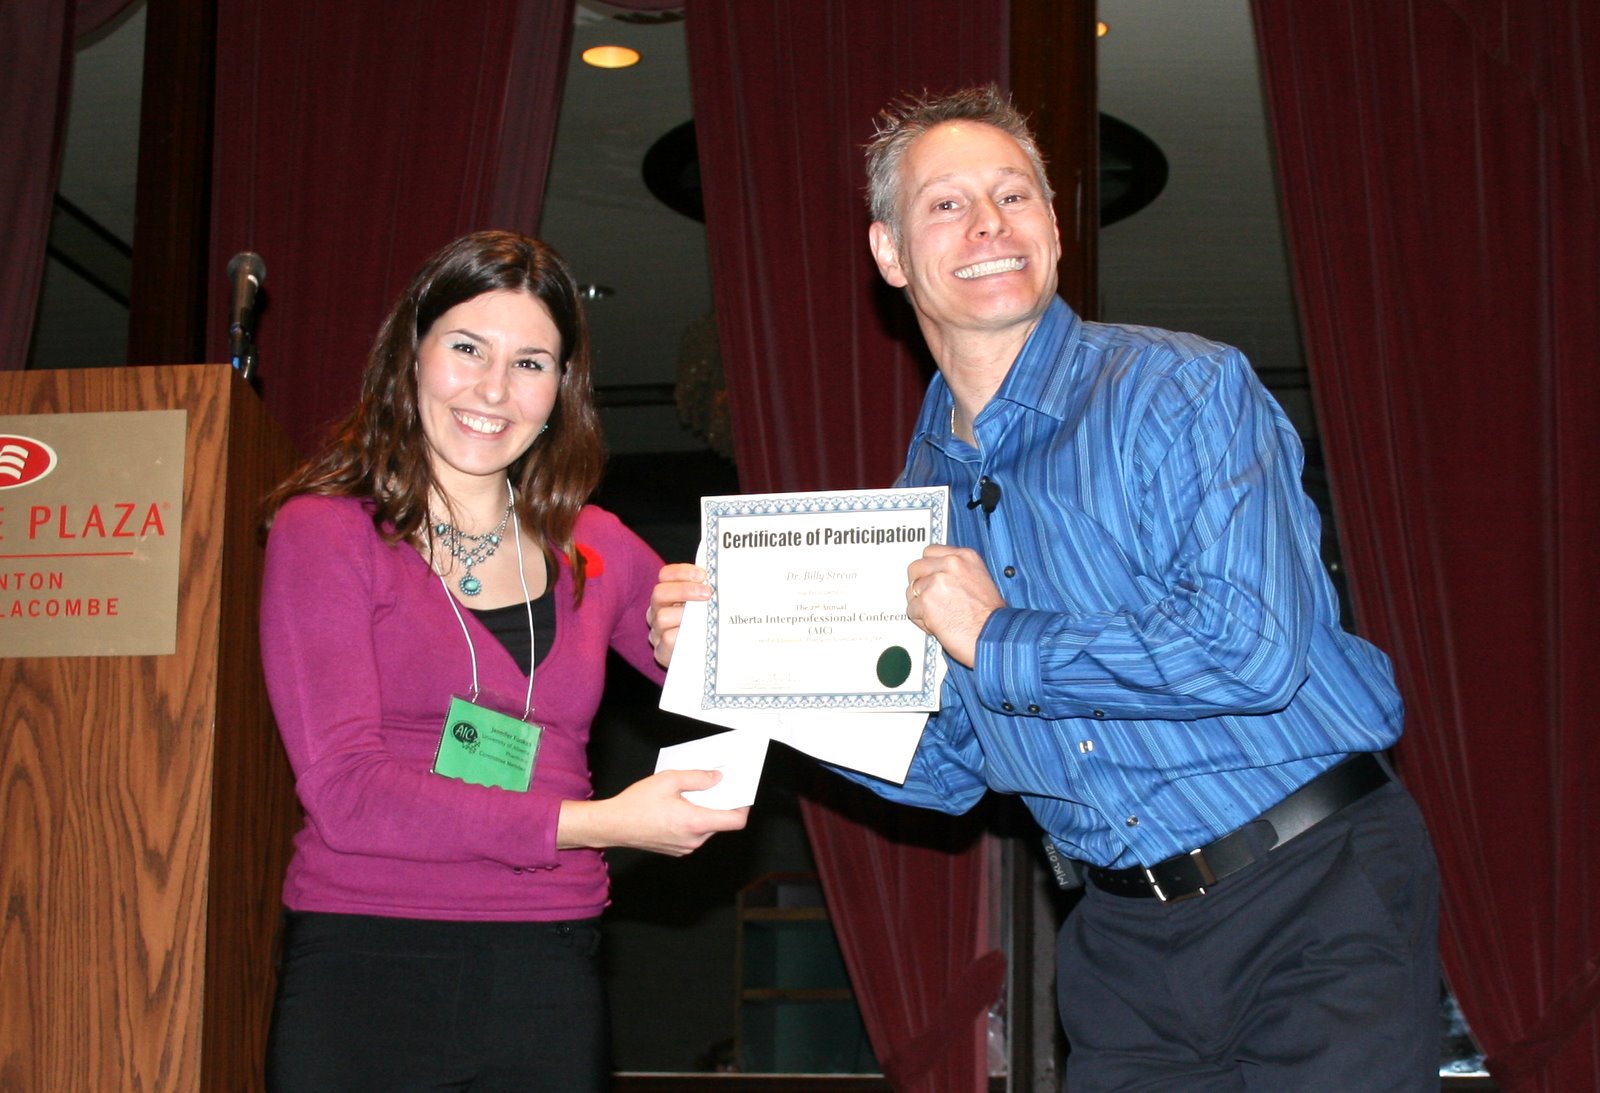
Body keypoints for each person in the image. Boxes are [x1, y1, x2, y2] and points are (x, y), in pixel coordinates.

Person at [649, 87, 1439, 1090]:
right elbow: (949, 768)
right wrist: (748, 673)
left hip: (1312, 891)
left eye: (1013, 194)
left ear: (1054, 230)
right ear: (889, 254)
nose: (988, 223)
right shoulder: (911, 505)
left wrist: (999, 636)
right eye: (946, 204)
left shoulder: (1180, 390)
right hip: (1122, 941)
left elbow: (1251, 648)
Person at [260, 230, 747, 1092]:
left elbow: (762, 682)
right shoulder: (326, 533)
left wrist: (705, 647)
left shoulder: (595, 546)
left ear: (562, 388)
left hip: (547, 963)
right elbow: (347, 792)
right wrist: (598, 822)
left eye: (530, 363)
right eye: (467, 348)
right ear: (410, 356)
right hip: (366, 963)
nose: (494, 389)